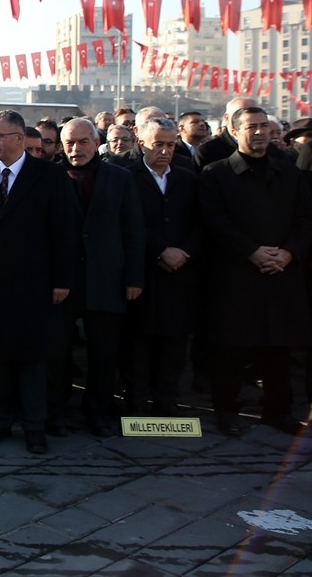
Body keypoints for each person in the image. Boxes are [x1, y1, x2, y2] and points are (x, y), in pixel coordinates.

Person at [0, 110, 79, 454]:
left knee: (32, 360)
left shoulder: (49, 176)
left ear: (20, 139)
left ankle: (34, 426)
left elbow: (65, 232)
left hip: (33, 284)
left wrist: (62, 280)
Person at [199, 106, 312, 436]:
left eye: (265, 126)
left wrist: (289, 252)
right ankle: (226, 411)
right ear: (234, 132)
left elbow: (307, 218)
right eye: (252, 127)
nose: (260, 132)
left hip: (282, 272)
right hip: (236, 275)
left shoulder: (289, 172)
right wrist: (251, 251)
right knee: (231, 351)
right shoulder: (215, 173)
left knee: (279, 350)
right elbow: (214, 221)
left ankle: (278, 411)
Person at [50, 118, 144, 438]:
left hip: (106, 278)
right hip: (61, 281)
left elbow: (132, 231)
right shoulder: (49, 177)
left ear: (96, 142)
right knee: (57, 352)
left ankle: (97, 412)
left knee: (104, 354)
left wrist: (134, 278)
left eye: (83, 142)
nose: (76, 150)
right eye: (69, 143)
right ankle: (56, 412)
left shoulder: (120, 178)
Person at [122, 117, 202, 416]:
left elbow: (200, 222)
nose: (165, 151)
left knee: (174, 344)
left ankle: (167, 403)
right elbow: (128, 224)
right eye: (158, 144)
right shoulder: (125, 176)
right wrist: (159, 250)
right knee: (138, 345)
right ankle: (137, 404)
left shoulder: (187, 177)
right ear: (141, 142)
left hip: (179, 274)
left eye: (170, 145)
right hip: (143, 273)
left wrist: (183, 252)